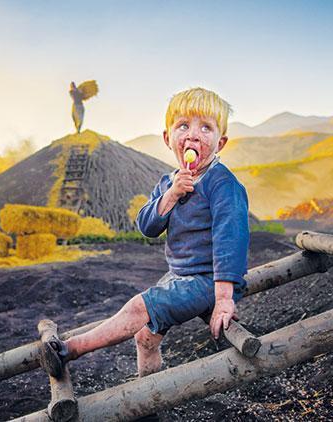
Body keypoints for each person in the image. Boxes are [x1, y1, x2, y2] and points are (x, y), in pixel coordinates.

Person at [40, 88, 249, 389]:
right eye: (183, 126)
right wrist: (171, 195)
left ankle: (68, 349)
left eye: (206, 127)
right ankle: (150, 393)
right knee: (145, 335)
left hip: (208, 279)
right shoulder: (168, 183)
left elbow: (232, 239)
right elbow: (147, 226)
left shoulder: (223, 184)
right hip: (179, 276)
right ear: (168, 139)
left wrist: (225, 298)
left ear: (221, 142)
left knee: (139, 308)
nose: (193, 135)